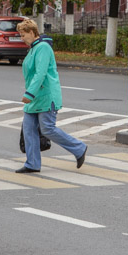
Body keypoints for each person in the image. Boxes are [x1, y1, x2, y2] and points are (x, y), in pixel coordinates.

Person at [16, 19, 87, 173]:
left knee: (47, 128)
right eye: (20, 35)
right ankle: (32, 164)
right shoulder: (33, 48)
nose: (22, 39)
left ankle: (79, 148)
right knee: (29, 130)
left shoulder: (42, 48)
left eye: (23, 35)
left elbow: (41, 73)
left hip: (46, 96)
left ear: (32, 32)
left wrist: (29, 93)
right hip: (35, 97)